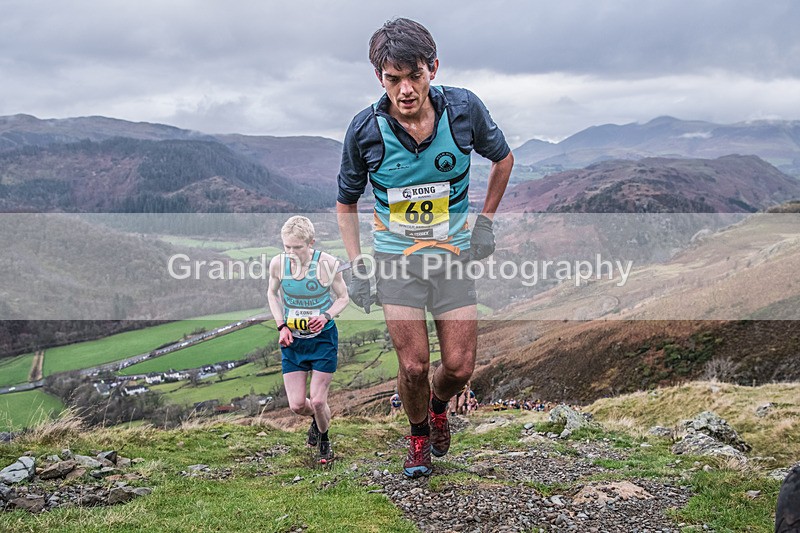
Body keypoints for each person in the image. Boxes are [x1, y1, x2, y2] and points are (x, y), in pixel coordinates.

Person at [336, 18, 514, 477]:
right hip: (397, 262)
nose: (406, 90)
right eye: (393, 79)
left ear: (433, 67)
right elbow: (346, 203)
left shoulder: (463, 110)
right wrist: (357, 266)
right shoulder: (365, 132)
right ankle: (418, 436)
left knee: (458, 368)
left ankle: (439, 405)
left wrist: (486, 224)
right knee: (413, 366)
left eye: (414, 75)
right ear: (380, 78)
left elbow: (503, 158)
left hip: (453, 258)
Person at [266, 216, 349, 465]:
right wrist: (281, 326)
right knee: (297, 405)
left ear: (311, 242)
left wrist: (325, 317)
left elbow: (343, 297)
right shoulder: (278, 264)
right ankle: (317, 418)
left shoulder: (327, 263)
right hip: (293, 340)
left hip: (322, 338)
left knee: (320, 400)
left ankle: (324, 438)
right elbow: (271, 293)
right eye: (287, 246)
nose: (291, 252)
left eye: (297, 247)